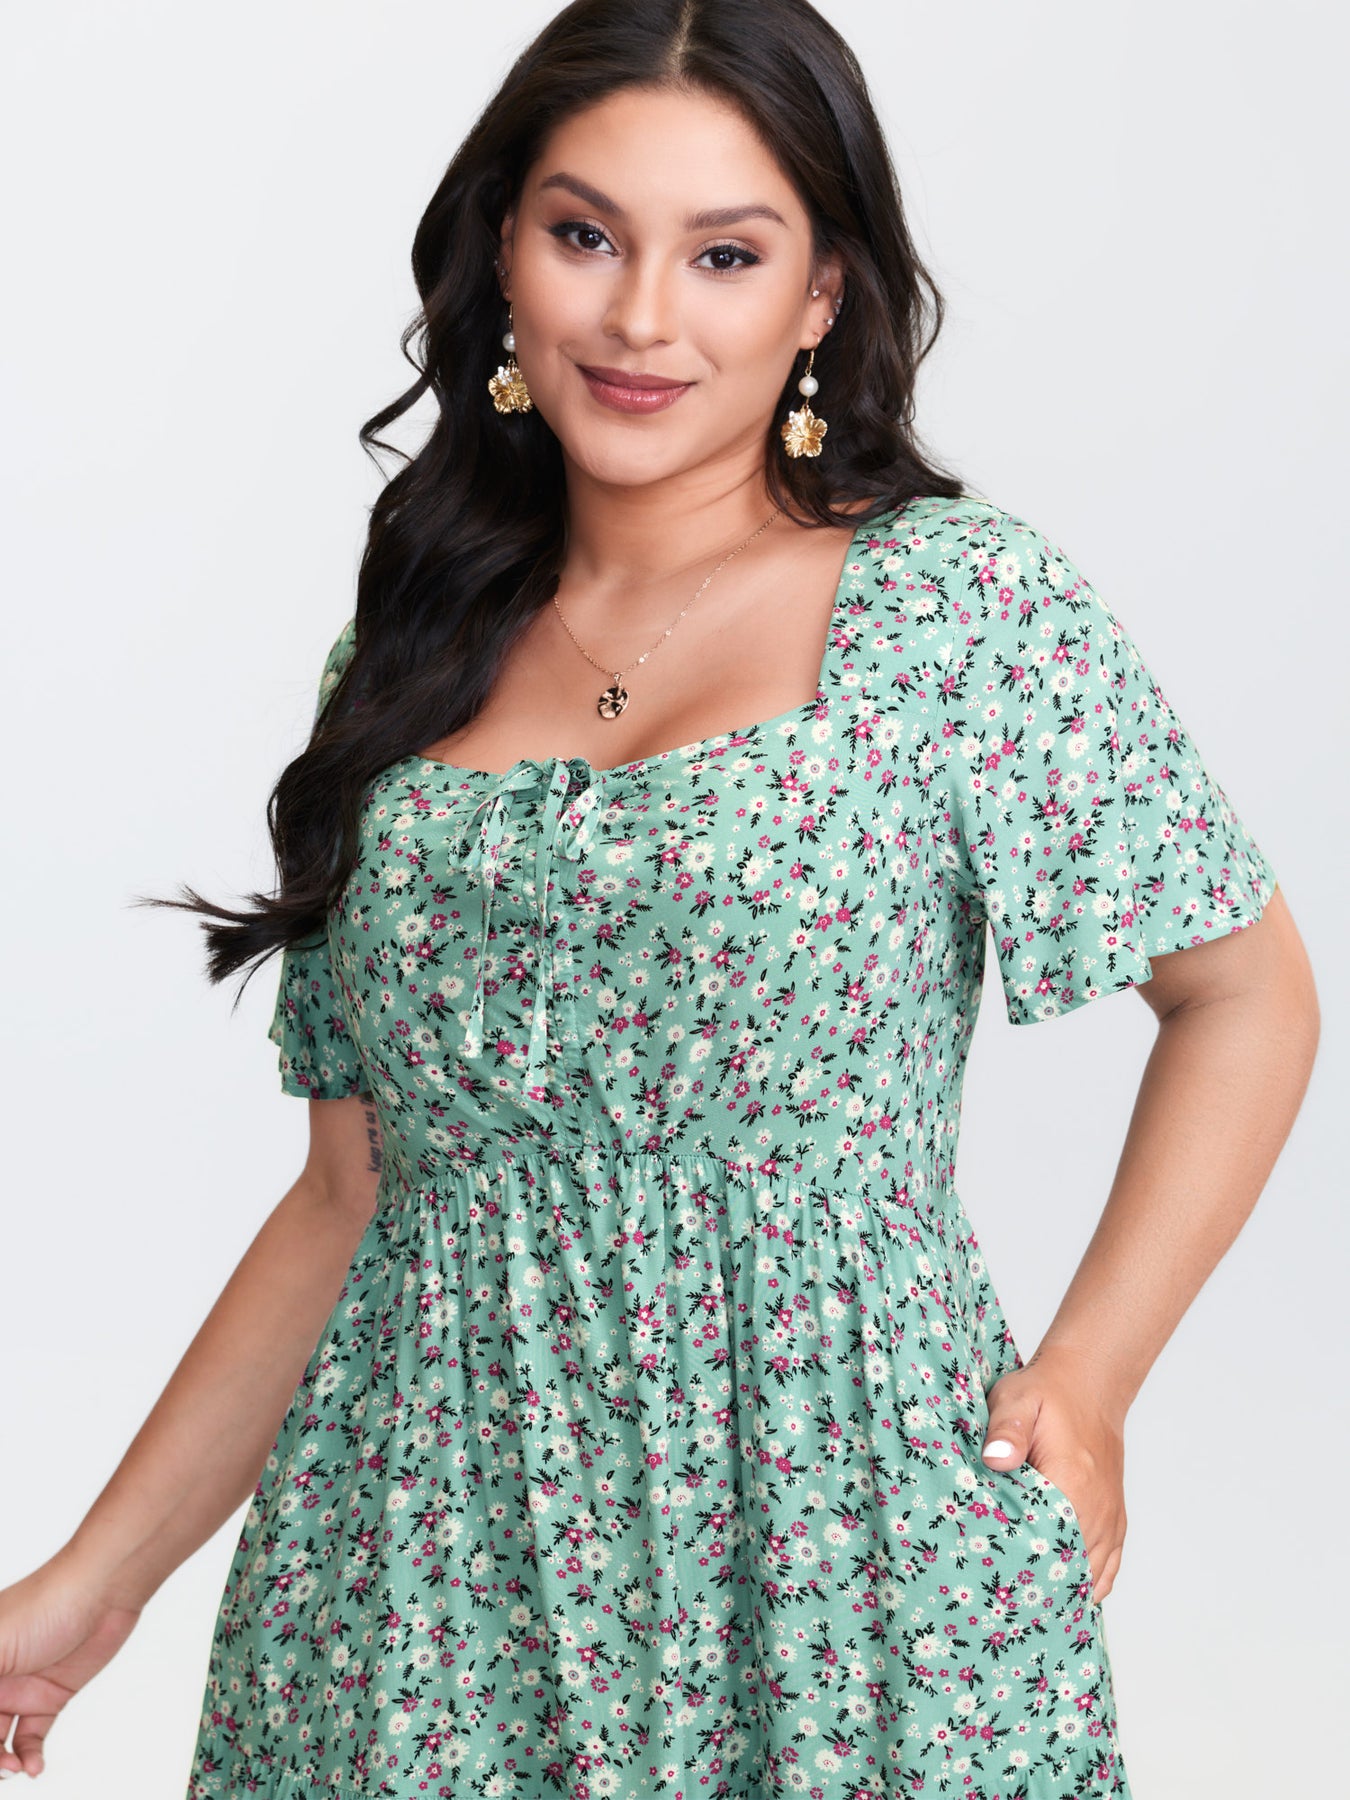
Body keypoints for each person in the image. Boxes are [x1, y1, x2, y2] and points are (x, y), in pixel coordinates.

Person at [0, 1, 1319, 1794]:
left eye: (723, 254)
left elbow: (1242, 992)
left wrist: (1091, 1376)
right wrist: (91, 1588)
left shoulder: (956, 609)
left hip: (845, 1550)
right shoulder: (405, 658)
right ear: (501, 255)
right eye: (584, 234)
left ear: (822, 293)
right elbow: (347, 1197)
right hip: (422, 1573)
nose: (638, 319)